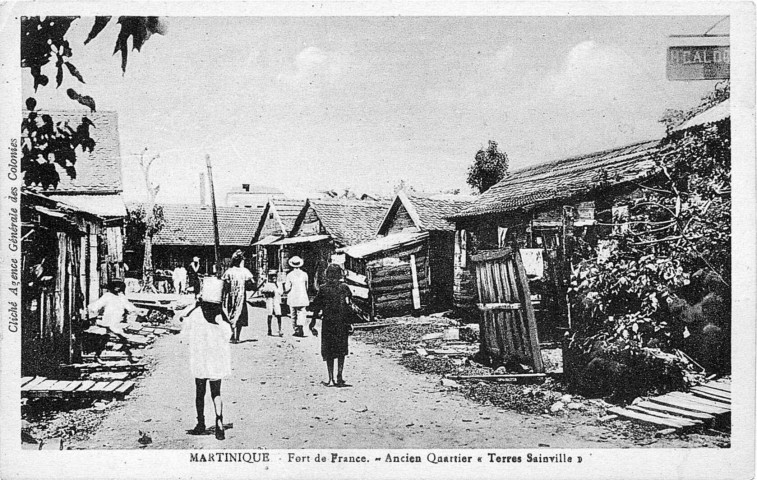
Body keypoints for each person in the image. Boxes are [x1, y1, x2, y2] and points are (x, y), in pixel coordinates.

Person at [180, 277, 231, 440]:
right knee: (216, 392)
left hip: (200, 358)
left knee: (199, 392)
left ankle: (201, 423)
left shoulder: (195, 314)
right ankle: (219, 420)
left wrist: (193, 307)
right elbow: (228, 335)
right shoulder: (220, 316)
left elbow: (183, 330)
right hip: (216, 358)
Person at [309, 264, 353, 387]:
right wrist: (350, 323)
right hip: (341, 322)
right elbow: (348, 306)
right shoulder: (344, 287)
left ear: (327, 275)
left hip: (328, 323)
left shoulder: (323, 289)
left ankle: (330, 378)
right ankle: (339, 376)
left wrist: (312, 323)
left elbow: (316, 307)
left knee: (329, 351)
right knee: (341, 350)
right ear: (340, 274)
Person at [87, 279, 139, 363]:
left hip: (117, 321)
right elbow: (96, 305)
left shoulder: (121, 297)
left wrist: (136, 311)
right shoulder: (107, 296)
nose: (117, 288)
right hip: (108, 321)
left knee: (115, 338)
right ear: (112, 287)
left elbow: (128, 306)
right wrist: (92, 312)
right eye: (115, 286)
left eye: (119, 286)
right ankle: (129, 356)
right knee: (114, 338)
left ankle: (130, 356)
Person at [221, 250, 255, 343]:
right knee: (240, 315)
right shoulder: (245, 271)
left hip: (231, 296)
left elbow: (224, 285)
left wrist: (224, 295)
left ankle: (232, 335)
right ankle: (237, 336)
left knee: (230, 313)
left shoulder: (229, 271)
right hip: (241, 296)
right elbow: (252, 282)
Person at [285, 256, 310, 337]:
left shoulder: (289, 275)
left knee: (293, 314)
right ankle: (300, 327)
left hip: (293, 297)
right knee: (302, 313)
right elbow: (307, 287)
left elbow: (287, 288)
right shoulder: (305, 274)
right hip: (302, 296)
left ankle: (296, 329)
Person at [259, 269, 284, 336]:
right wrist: (267, 292)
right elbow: (262, 290)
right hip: (269, 299)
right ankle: (269, 329)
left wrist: (276, 288)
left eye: (274, 276)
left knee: (278, 314)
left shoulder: (279, 284)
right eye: (272, 276)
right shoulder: (268, 284)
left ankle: (280, 329)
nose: (273, 277)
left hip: (277, 300)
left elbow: (281, 292)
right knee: (269, 314)